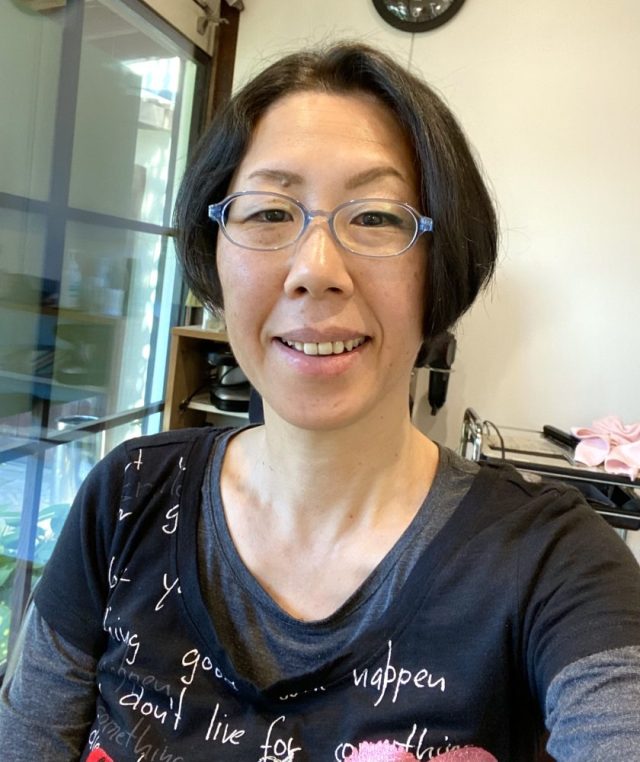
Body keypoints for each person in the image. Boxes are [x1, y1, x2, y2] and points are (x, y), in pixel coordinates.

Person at [1, 42, 639, 762]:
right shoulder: (128, 497)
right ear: (214, 251)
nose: (315, 269)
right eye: (270, 212)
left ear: (442, 263)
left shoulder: (552, 560)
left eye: (377, 217)